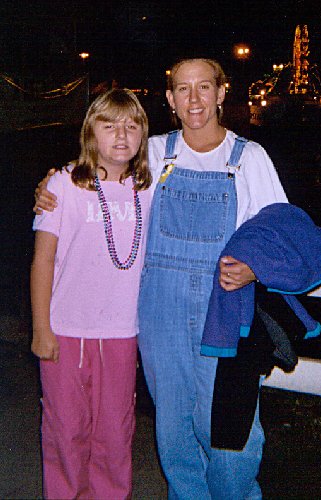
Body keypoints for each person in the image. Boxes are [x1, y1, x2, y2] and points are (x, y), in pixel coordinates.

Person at [34, 58, 288, 499]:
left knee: (230, 429)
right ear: (169, 99)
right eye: (183, 89)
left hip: (224, 311)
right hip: (159, 315)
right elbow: (99, 162)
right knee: (173, 429)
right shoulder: (154, 152)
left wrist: (255, 267)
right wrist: (50, 184)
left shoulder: (250, 158)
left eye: (204, 87)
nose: (194, 100)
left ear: (222, 93)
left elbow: (280, 231)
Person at [31, 88, 152, 499]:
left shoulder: (149, 190)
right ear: (90, 133)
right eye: (109, 124)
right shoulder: (63, 185)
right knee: (66, 432)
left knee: (116, 435)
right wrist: (40, 328)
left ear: (143, 136)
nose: (121, 134)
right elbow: (43, 260)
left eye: (132, 125)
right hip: (65, 331)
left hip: (121, 333)